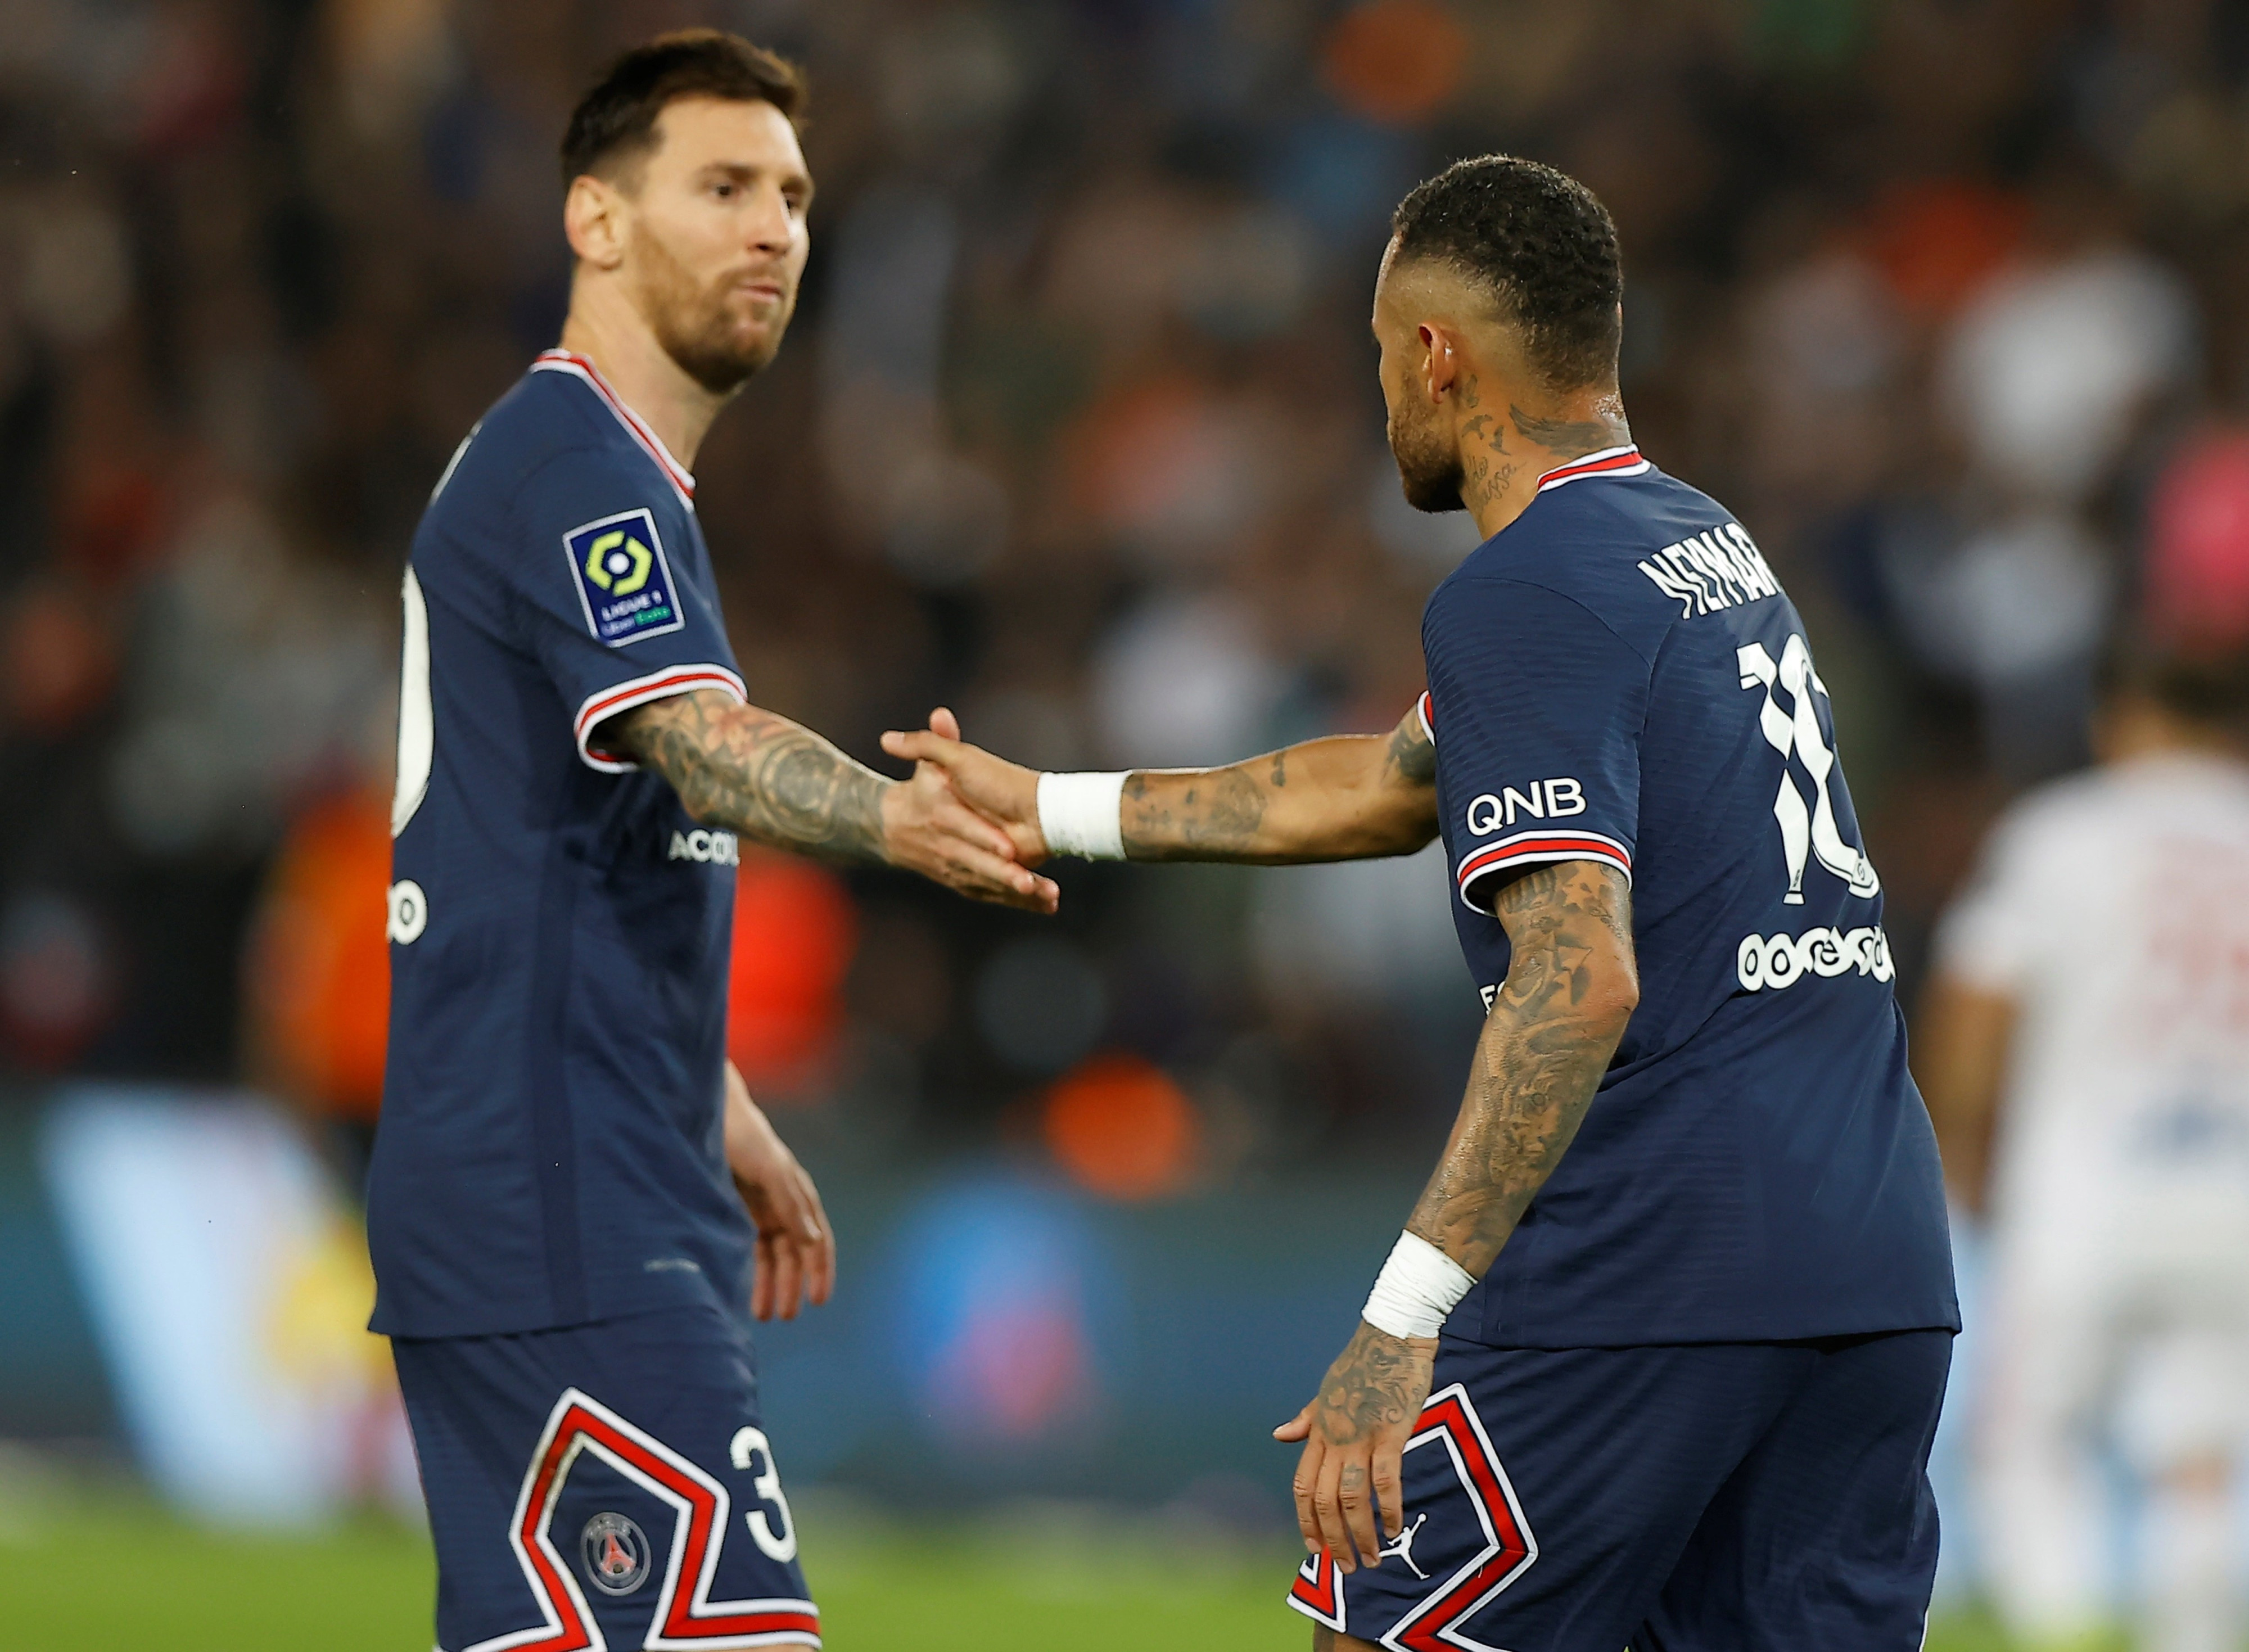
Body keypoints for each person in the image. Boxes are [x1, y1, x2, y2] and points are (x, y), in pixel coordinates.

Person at [886, 155, 1959, 1650]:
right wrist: (1054, 807)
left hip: (1655, 1263)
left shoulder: (1529, 587)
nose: (1381, 393)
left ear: (1436, 355)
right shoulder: (1698, 544)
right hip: (1873, 1266)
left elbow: (1578, 975)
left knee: (1384, 1632)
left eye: (1381, 355)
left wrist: (1402, 1316)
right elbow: (1388, 788)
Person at [370, 32, 1051, 1652]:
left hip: (591, 1178)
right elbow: (695, 744)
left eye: (797, 198)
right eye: (725, 186)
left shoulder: (620, 476)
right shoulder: (572, 465)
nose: (775, 229)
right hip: (557, 1205)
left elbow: (563, 827)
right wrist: (889, 811)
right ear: (594, 222)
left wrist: (711, 1091)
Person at [1919, 646, 2249, 1652]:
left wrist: (1959, 1173)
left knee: (2027, 1434)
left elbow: (1978, 1007)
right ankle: (2193, 1635)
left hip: (2088, 1182)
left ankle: (2059, 1628)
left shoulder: (2066, 831)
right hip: (2234, 1184)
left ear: (2126, 716)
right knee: (2200, 1440)